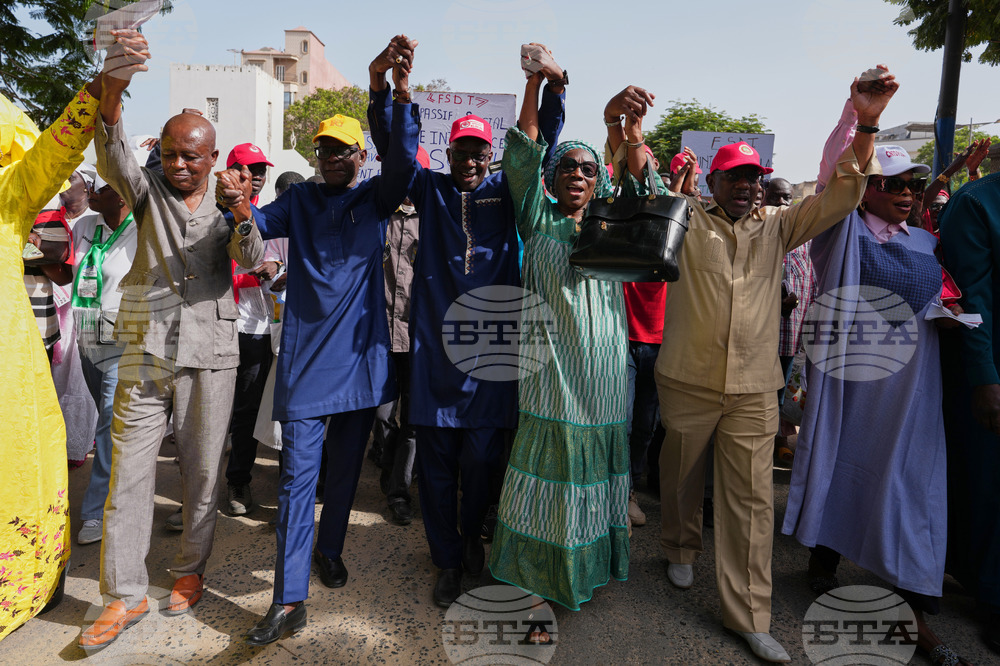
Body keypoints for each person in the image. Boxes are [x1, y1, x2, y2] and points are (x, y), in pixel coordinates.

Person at [654, 67, 895, 663]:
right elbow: (641, 191)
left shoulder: (781, 227)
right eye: (735, 177)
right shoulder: (686, 220)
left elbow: (843, 193)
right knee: (680, 474)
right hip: (686, 379)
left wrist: (866, 122)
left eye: (754, 177)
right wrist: (631, 136)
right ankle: (680, 547)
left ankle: (749, 615)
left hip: (755, 390)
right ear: (713, 181)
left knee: (752, 504)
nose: (746, 186)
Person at [216, 36, 420, 646]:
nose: (330, 158)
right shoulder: (300, 199)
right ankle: (289, 599)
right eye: (322, 150)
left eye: (340, 150)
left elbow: (404, 162)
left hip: (361, 362)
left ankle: (329, 550)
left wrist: (392, 91)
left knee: (344, 475)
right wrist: (239, 207)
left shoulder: (376, 197)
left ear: (360, 155)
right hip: (306, 365)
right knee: (296, 481)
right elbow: (255, 232)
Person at [80, 34, 264, 652]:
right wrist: (115, 82)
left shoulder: (232, 200)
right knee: (129, 474)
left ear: (212, 157)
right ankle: (123, 594)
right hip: (144, 347)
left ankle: (190, 569)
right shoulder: (145, 188)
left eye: (190, 156)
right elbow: (112, 151)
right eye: (169, 154)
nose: (178, 165)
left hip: (211, 353)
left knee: (203, 472)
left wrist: (242, 214)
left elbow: (250, 259)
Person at [367, 41, 567, 607]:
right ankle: (447, 559)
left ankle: (475, 531)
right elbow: (393, 151)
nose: (471, 161)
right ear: (449, 153)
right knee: (435, 467)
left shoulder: (507, 192)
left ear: (489, 155)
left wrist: (552, 86)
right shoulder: (428, 190)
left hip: (493, 353)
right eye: (462, 152)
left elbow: (539, 148)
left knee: (482, 461)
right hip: (436, 354)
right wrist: (396, 94)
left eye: (480, 152)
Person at [784, 106, 970, 663]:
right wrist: (859, 116)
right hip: (855, 383)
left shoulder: (926, 244)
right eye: (893, 185)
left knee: (911, 478)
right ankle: (824, 557)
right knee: (845, 462)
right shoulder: (839, 233)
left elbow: (934, 299)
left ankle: (911, 588)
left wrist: (947, 316)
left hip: (913, 388)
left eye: (911, 184)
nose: (906, 193)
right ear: (866, 191)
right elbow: (831, 175)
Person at [0, 28, 147, 643]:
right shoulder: (76, 225)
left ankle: (48, 562)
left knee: (97, 434)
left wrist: (106, 84)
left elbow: (50, 156)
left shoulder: (10, 198)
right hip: (82, 336)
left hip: (100, 341)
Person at [488, 76, 641, 610]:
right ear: (551, 179)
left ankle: (584, 572)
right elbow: (525, 150)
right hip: (551, 378)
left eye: (588, 169)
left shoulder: (614, 225)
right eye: (567, 167)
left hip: (605, 379)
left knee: (594, 479)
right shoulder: (536, 218)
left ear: (599, 181)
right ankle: (534, 584)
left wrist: (624, 126)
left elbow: (646, 188)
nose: (578, 174)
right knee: (547, 481)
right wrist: (533, 80)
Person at [939, 160, 1000, 657]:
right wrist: (985, 378)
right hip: (989, 374)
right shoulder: (976, 203)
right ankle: (993, 598)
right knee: (987, 486)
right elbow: (971, 300)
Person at [72, 177, 138, 546]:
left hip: (122, 335)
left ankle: (95, 512)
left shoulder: (142, 227)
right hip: (86, 332)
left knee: (109, 426)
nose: (91, 193)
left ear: (122, 194)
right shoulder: (83, 226)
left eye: (100, 188)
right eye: (90, 186)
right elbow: (68, 274)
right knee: (112, 423)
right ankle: (126, 487)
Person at [370, 149, 430, 527]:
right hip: (377, 335)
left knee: (412, 419)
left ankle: (398, 492)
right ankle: (388, 464)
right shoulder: (378, 216)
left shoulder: (434, 220)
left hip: (417, 337)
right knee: (380, 414)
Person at [224, 142, 281, 517]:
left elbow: (283, 260)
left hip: (258, 328)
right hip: (218, 326)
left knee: (246, 410)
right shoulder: (213, 215)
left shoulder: (272, 217)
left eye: (260, 169)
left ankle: (237, 481)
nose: (256, 176)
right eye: (247, 169)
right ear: (231, 173)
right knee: (208, 415)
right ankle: (194, 495)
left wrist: (276, 269)